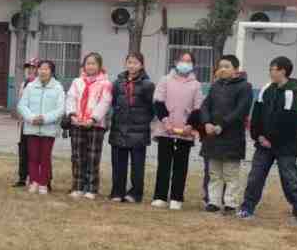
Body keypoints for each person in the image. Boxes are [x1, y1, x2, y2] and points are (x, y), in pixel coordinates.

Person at [238, 55, 297, 225]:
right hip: (263, 144)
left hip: (286, 146)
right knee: (255, 176)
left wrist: (273, 140)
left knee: (290, 179)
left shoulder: (293, 93)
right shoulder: (266, 88)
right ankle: (247, 207)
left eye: (273, 69)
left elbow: (291, 123)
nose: (270, 72)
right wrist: (259, 135)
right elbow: (257, 114)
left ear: (283, 71)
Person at [195, 54, 253, 215]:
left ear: (236, 69)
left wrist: (222, 125)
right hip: (212, 136)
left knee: (230, 173)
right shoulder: (215, 86)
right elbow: (205, 106)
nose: (223, 69)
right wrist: (206, 123)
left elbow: (241, 110)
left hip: (232, 137)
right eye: (221, 66)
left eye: (227, 66)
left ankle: (230, 203)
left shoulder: (245, 87)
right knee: (214, 173)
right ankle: (213, 201)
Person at [151, 51, 202, 211]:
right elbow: (158, 102)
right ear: (175, 62)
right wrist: (166, 122)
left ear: (193, 65)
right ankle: (160, 196)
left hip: (185, 132)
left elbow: (198, 108)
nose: (185, 64)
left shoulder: (196, 85)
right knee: (164, 165)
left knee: (181, 166)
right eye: (182, 60)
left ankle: (176, 197)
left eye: (188, 61)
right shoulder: (165, 80)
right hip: (165, 130)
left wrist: (190, 125)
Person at [63, 52, 112, 199]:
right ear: (84, 66)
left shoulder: (105, 84)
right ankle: (78, 186)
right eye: (88, 63)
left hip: (95, 125)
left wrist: (93, 119)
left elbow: (105, 102)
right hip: (77, 123)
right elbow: (71, 98)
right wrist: (72, 115)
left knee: (92, 157)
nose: (90, 66)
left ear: (99, 66)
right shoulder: (77, 82)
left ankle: (91, 188)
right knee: (77, 156)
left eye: (93, 63)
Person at [107, 52, 154, 204]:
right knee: (118, 164)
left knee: (137, 165)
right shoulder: (117, 83)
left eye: (135, 63)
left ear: (141, 65)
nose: (132, 65)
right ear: (126, 64)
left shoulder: (148, 85)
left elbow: (152, 108)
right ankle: (117, 191)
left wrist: (142, 120)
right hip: (119, 129)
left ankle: (135, 193)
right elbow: (113, 103)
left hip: (138, 130)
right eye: (129, 62)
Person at [15, 59, 65, 194]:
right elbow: (22, 105)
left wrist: (45, 118)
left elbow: (60, 109)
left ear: (51, 72)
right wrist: (32, 118)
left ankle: (43, 183)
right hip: (31, 127)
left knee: (45, 157)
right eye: (41, 69)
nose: (43, 71)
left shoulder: (58, 88)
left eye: (46, 69)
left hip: (49, 128)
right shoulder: (30, 86)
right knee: (33, 156)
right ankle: (34, 181)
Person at [12, 59, 38, 188]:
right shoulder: (25, 83)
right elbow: (21, 101)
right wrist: (20, 117)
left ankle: (36, 177)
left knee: (35, 151)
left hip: (37, 122)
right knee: (23, 149)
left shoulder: (41, 84)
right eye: (29, 68)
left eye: (33, 67)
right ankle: (22, 177)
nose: (30, 70)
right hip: (25, 122)